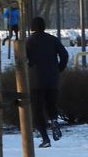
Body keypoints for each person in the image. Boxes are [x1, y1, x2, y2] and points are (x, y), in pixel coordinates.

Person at [25, 16, 69, 148]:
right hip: (52, 79)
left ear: (32, 27)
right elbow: (64, 55)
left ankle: (45, 139)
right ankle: (54, 120)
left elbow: (23, 59)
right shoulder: (52, 39)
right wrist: (59, 69)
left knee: (37, 111)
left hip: (35, 80)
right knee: (51, 105)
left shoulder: (29, 41)